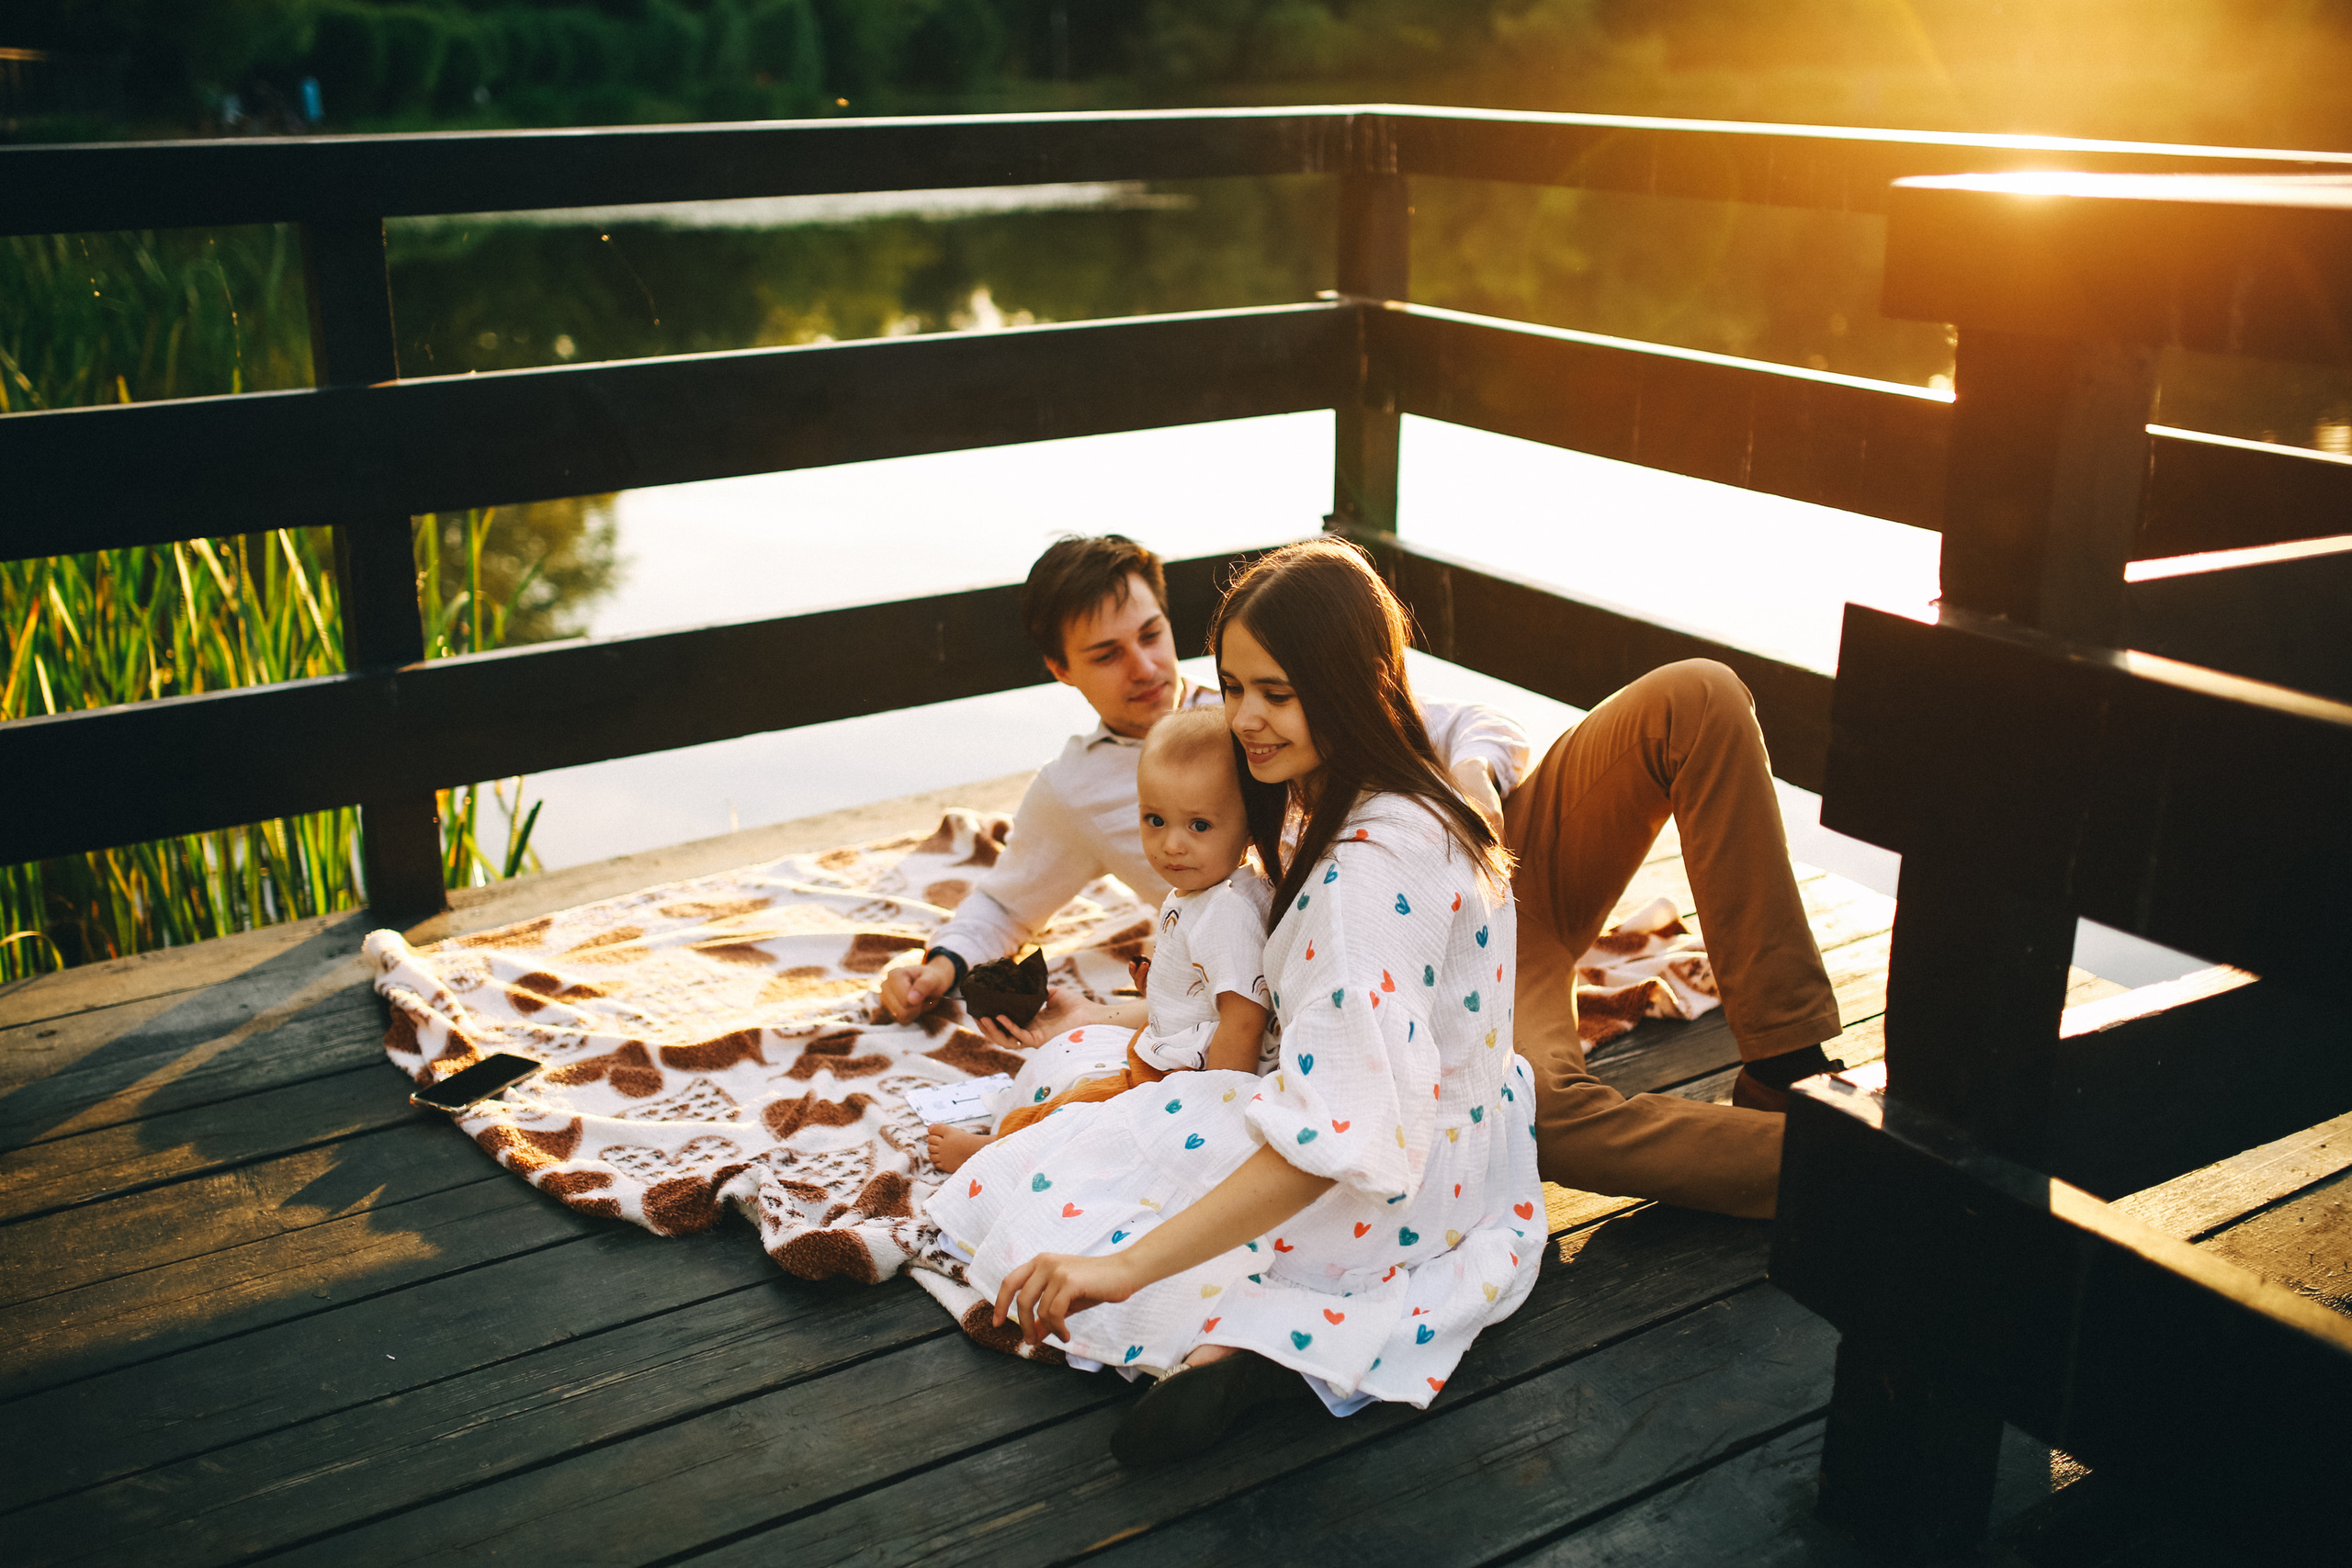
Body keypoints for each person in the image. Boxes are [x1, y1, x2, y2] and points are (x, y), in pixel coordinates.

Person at [923, 539, 1544, 1461]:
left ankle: (1257, 1332)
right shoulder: (1395, 784)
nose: (1244, 719)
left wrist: (1121, 1267)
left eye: (1276, 694)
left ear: (1348, 683)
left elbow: (1337, 1140)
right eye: (1235, 686)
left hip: (1393, 1182)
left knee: (1077, 1170)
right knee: (1103, 1095)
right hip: (1480, 1150)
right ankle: (1257, 1351)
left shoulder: (1355, 886)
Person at [878, 535, 1528, 1031]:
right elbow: (1004, 903)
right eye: (1107, 655)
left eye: (1151, 634)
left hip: (1385, 945)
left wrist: (1475, 779)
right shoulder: (1073, 788)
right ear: (1060, 668)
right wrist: (941, 965)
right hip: (1266, 991)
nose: (1145, 667)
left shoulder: (1254, 711)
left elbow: (1471, 722)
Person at [923, 708, 1276, 1176]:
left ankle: (995, 1153)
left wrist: (1212, 1111)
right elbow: (1209, 994)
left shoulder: (1226, 911)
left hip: (1189, 1080)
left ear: (1249, 828)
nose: (1171, 844)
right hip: (1168, 1054)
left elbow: (1244, 1021)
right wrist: (1165, 987)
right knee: (1078, 1085)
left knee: (1084, 1113)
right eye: (1154, 820)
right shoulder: (1201, 893)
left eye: (1198, 826)